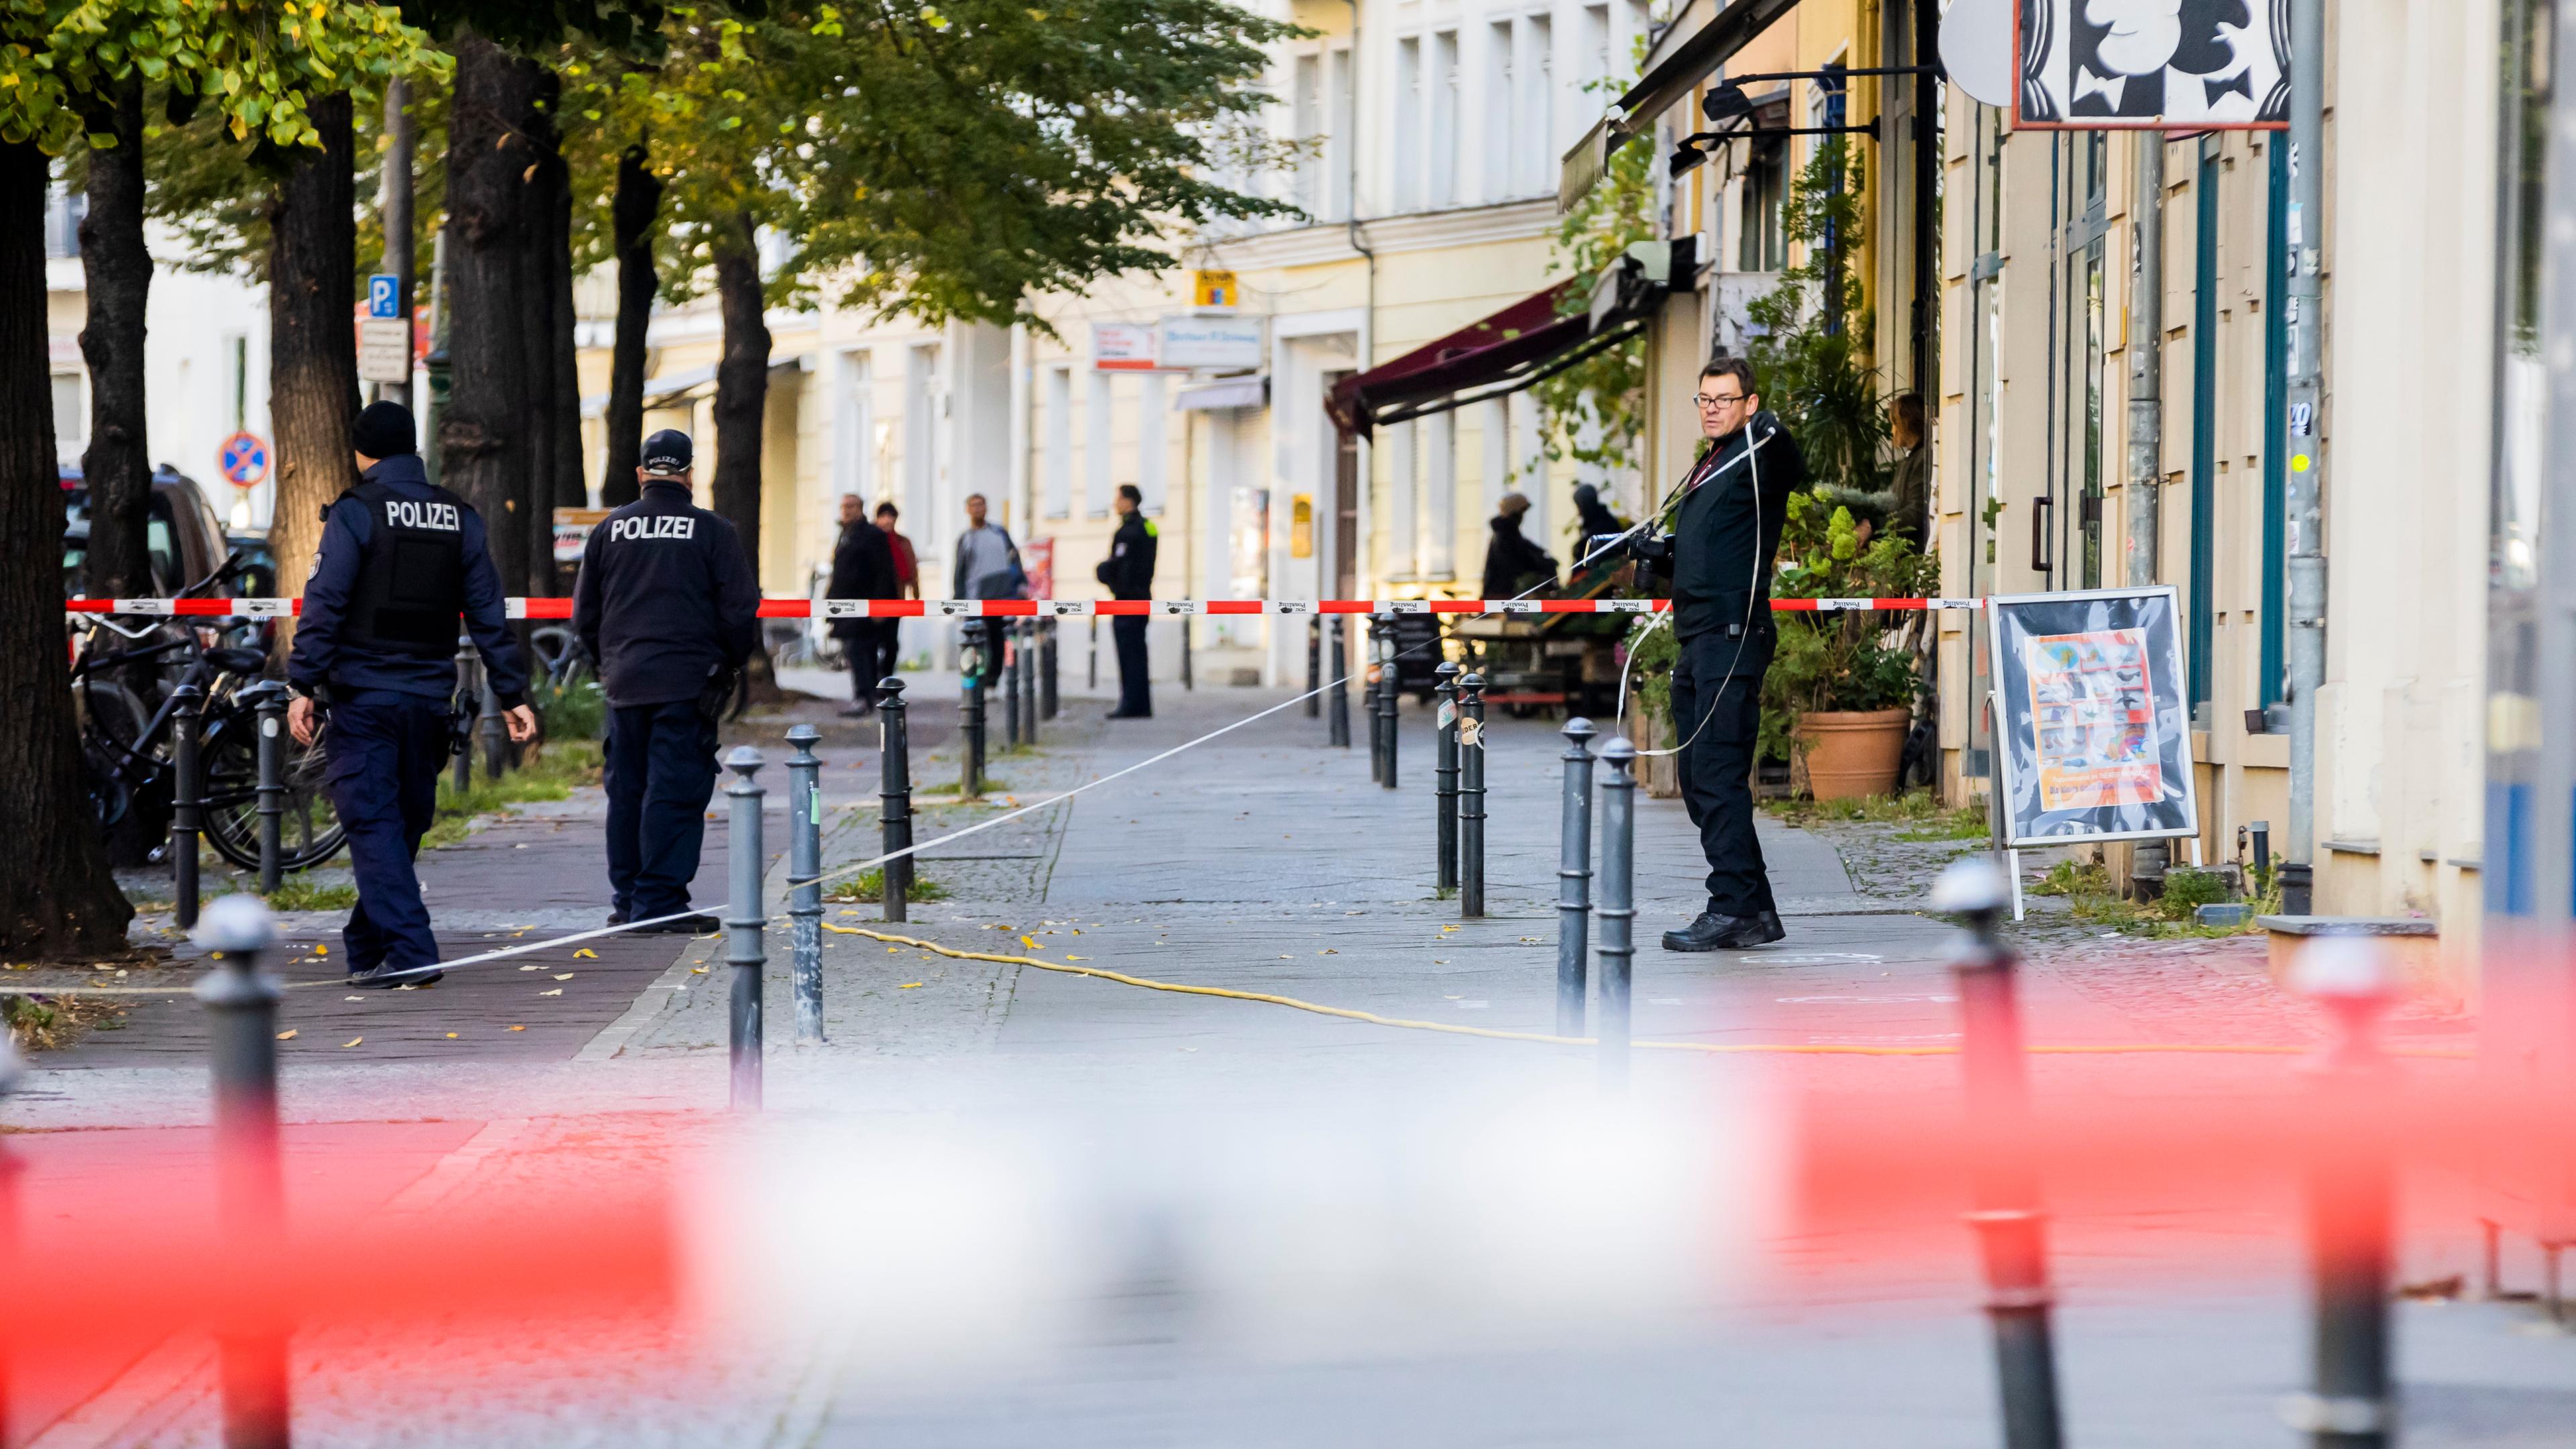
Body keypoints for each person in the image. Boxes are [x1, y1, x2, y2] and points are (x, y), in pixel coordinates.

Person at [286, 400, 534, 988]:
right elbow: (488, 614)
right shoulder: (459, 517)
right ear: (414, 448)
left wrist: (302, 683)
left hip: (366, 697)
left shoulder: (355, 513)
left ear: (361, 452)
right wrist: (514, 692)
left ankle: (413, 954)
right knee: (401, 824)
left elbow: (326, 603)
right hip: (428, 700)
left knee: (374, 825)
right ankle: (365, 947)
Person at [1643, 357, 1806, 952]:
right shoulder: (1710, 463)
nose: (1712, 407)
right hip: (1699, 637)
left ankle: (1732, 906)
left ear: (1750, 403)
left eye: (1725, 398)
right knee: (1700, 775)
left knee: (1714, 773)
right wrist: (1658, 554)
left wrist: (1774, 429)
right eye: (1704, 398)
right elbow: (1710, 547)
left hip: (1733, 637)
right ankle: (1754, 908)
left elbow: (1792, 464)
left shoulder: (1757, 456)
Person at [571, 429, 761, 932]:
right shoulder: (713, 531)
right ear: (689, 475)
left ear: (641, 474)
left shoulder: (610, 530)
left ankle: (630, 903)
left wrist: (607, 663)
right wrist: (729, 666)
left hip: (625, 682)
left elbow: (585, 615)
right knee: (674, 791)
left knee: (628, 790)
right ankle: (660, 903)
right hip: (687, 684)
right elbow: (740, 612)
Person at [825, 494, 898, 718]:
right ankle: (864, 695)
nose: (846, 511)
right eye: (843, 506)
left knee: (860, 650)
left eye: (850, 506)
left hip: (865, 605)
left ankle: (864, 696)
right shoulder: (845, 534)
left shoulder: (872, 535)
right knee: (854, 651)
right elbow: (839, 572)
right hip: (845, 605)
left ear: (860, 509)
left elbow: (884, 572)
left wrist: (878, 605)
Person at [1096, 482, 1157, 719]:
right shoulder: (1149, 527)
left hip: (1127, 600)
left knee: (1129, 654)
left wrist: (1103, 572)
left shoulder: (1128, 531)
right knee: (1139, 653)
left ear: (1129, 501)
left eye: (1118, 498)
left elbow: (1122, 568)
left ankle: (1131, 704)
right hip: (1143, 597)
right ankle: (1142, 704)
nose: (1115, 503)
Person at [952, 492, 1024, 690]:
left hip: (1000, 596)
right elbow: (959, 570)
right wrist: (958, 597)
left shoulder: (999, 533)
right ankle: (973, 678)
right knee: (974, 640)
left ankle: (993, 679)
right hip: (975, 598)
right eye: (974, 505)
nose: (978, 509)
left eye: (981, 505)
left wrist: (1020, 584)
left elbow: (1014, 558)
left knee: (997, 638)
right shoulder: (966, 539)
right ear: (967, 510)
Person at [1481, 492, 1558, 600]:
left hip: (1506, 594)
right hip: (1506, 596)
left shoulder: (1509, 534)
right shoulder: (1506, 536)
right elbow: (1516, 565)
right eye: (1521, 512)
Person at [875, 500, 919, 681]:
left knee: (891, 642)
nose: (888, 521)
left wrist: (916, 592)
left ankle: (887, 675)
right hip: (873, 600)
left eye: (891, 516)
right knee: (872, 642)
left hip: (895, 597)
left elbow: (911, 567)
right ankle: (873, 678)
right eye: (884, 516)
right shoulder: (871, 540)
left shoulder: (902, 542)